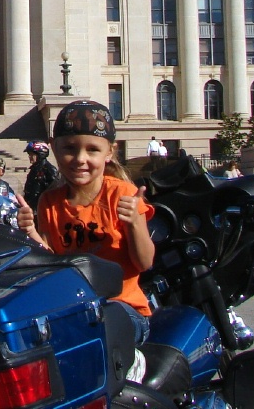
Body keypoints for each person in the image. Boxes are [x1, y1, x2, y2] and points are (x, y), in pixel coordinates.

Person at [15, 99, 155, 346]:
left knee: (93, 327)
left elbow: (144, 263)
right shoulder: (49, 201)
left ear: (109, 152)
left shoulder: (122, 194)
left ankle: (132, 363)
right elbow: (51, 261)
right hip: (75, 307)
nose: (80, 158)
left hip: (123, 308)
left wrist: (134, 222)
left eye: (92, 150)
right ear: (54, 148)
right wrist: (30, 231)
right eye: (70, 148)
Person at [23, 140, 60, 211]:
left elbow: (56, 192)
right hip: (32, 209)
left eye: (32, 154)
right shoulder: (34, 169)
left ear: (40, 154)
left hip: (44, 210)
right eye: (29, 154)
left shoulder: (49, 170)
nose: (29, 157)